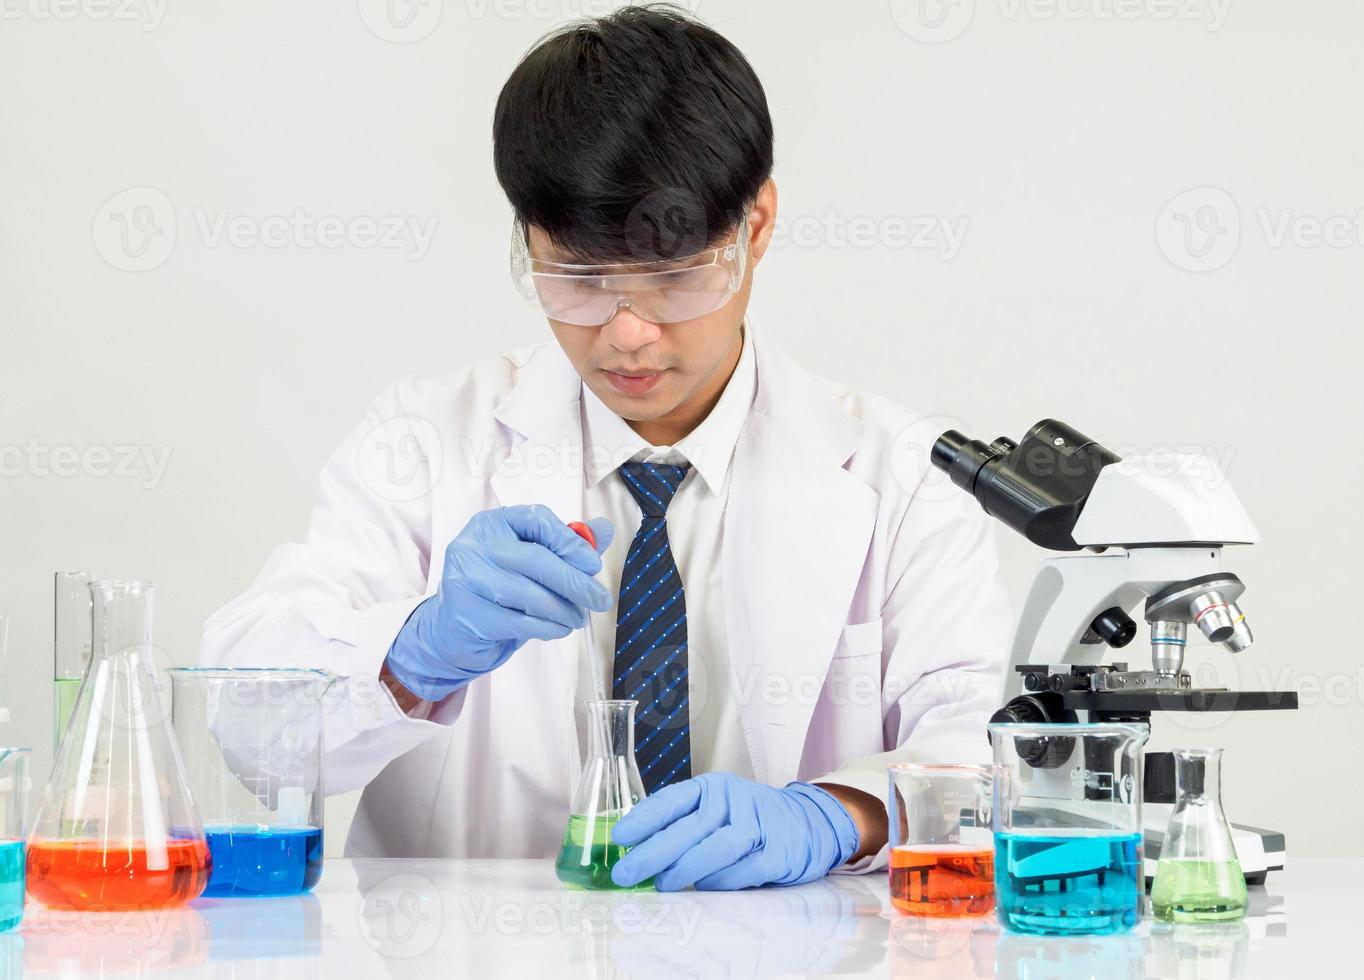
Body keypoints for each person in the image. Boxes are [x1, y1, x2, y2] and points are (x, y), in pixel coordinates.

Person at [202, 4, 1010, 892]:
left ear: (758, 225)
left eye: (672, 277)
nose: (626, 333)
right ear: (527, 240)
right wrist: (409, 654)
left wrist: (842, 813)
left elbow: (992, 751)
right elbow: (249, 725)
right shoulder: (425, 442)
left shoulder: (905, 476)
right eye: (578, 278)